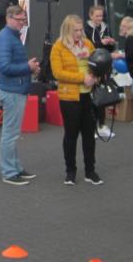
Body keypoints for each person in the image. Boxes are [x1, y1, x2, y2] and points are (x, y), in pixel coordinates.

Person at [49, 14, 102, 186]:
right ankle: (70, 171)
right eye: (75, 31)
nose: (79, 33)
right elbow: (58, 73)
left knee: (89, 135)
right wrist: (82, 78)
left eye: (80, 30)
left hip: (88, 95)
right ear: (67, 30)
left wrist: (97, 77)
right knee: (71, 135)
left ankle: (90, 171)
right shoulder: (58, 47)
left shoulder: (88, 44)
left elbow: (96, 65)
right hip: (69, 97)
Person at [0, 5, 40, 186]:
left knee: (12, 133)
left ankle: (15, 168)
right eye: (20, 20)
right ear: (9, 18)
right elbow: (4, 67)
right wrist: (28, 67)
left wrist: (29, 68)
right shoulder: (5, 38)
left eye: (24, 20)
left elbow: (9, 64)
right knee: (10, 134)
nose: (23, 23)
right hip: (12, 91)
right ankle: (9, 172)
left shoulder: (10, 37)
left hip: (16, 89)